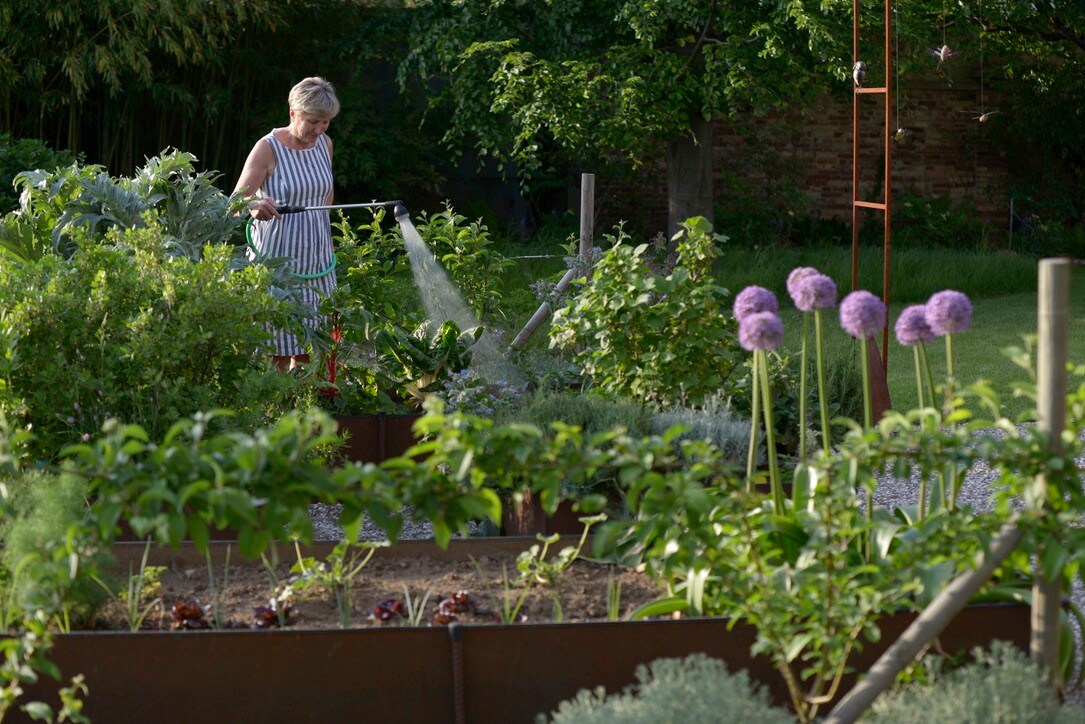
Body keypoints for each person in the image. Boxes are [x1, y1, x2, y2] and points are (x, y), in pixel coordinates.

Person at [234, 76, 339, 371]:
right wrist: (254, 205)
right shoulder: (267, 148)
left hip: (317, 259)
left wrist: (327, 235)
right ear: (294, 113)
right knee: (277, 349)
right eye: (313, 121)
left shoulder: (324, 145)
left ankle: (303, 407)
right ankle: (274, 410)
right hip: (278, 262)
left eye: (325, 123)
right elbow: (235, 202)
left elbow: (326, 192)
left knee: (309, 346)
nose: (319, 130)